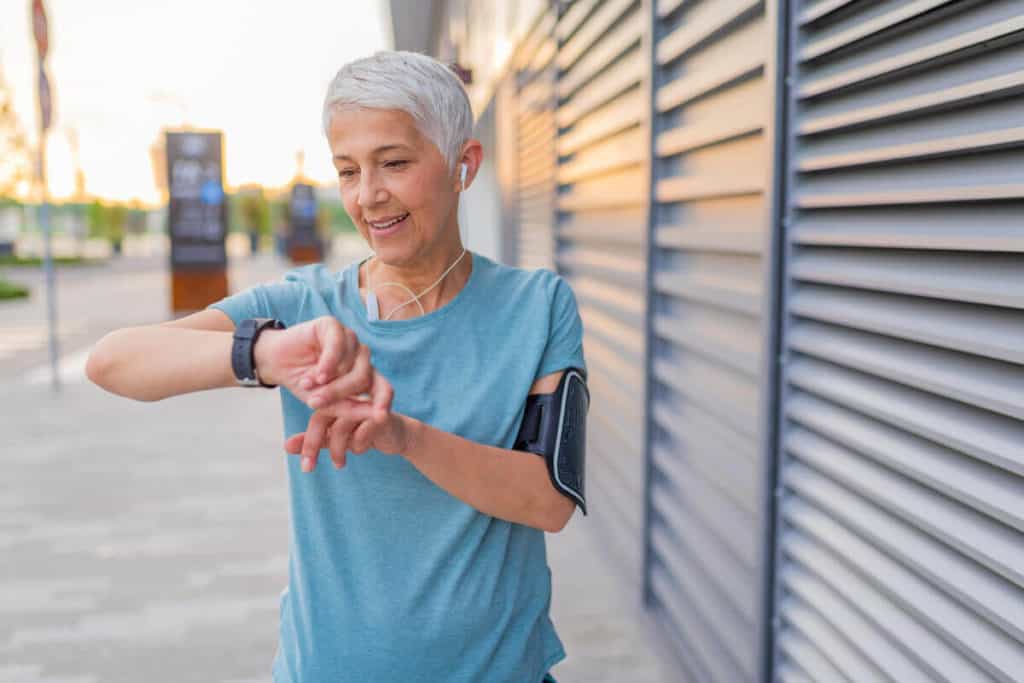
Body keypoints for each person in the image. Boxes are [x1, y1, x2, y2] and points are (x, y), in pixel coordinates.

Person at [87, 51, 586, 683]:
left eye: (394, 163)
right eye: (347, 171)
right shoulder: (300, 306)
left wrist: (403, 436)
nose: (368, 195)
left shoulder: (538, 306)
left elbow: (547, 501)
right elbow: (113, 362)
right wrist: (266, 353)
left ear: (465, 164)